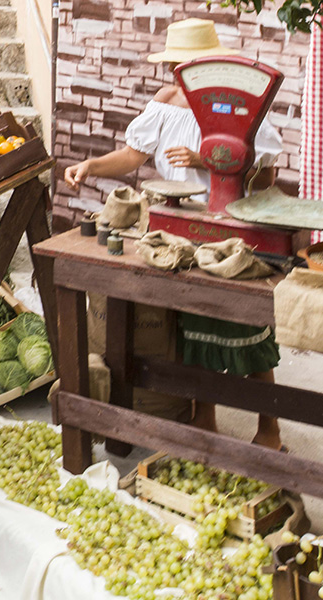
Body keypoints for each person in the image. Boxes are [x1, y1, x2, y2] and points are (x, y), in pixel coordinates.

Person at [63, 18, 284, 450]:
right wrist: (91, 166)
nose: (176, 74)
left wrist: (208, 161)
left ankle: (270, 428)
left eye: (184, 65)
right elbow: (132, 156)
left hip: (229, 227)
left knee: (247, 327)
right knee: (189, 324)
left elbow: (265, 172)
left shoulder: (238, 104)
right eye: (174, 66)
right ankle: (203, 417)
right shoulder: (164, 101)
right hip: (177, 225)